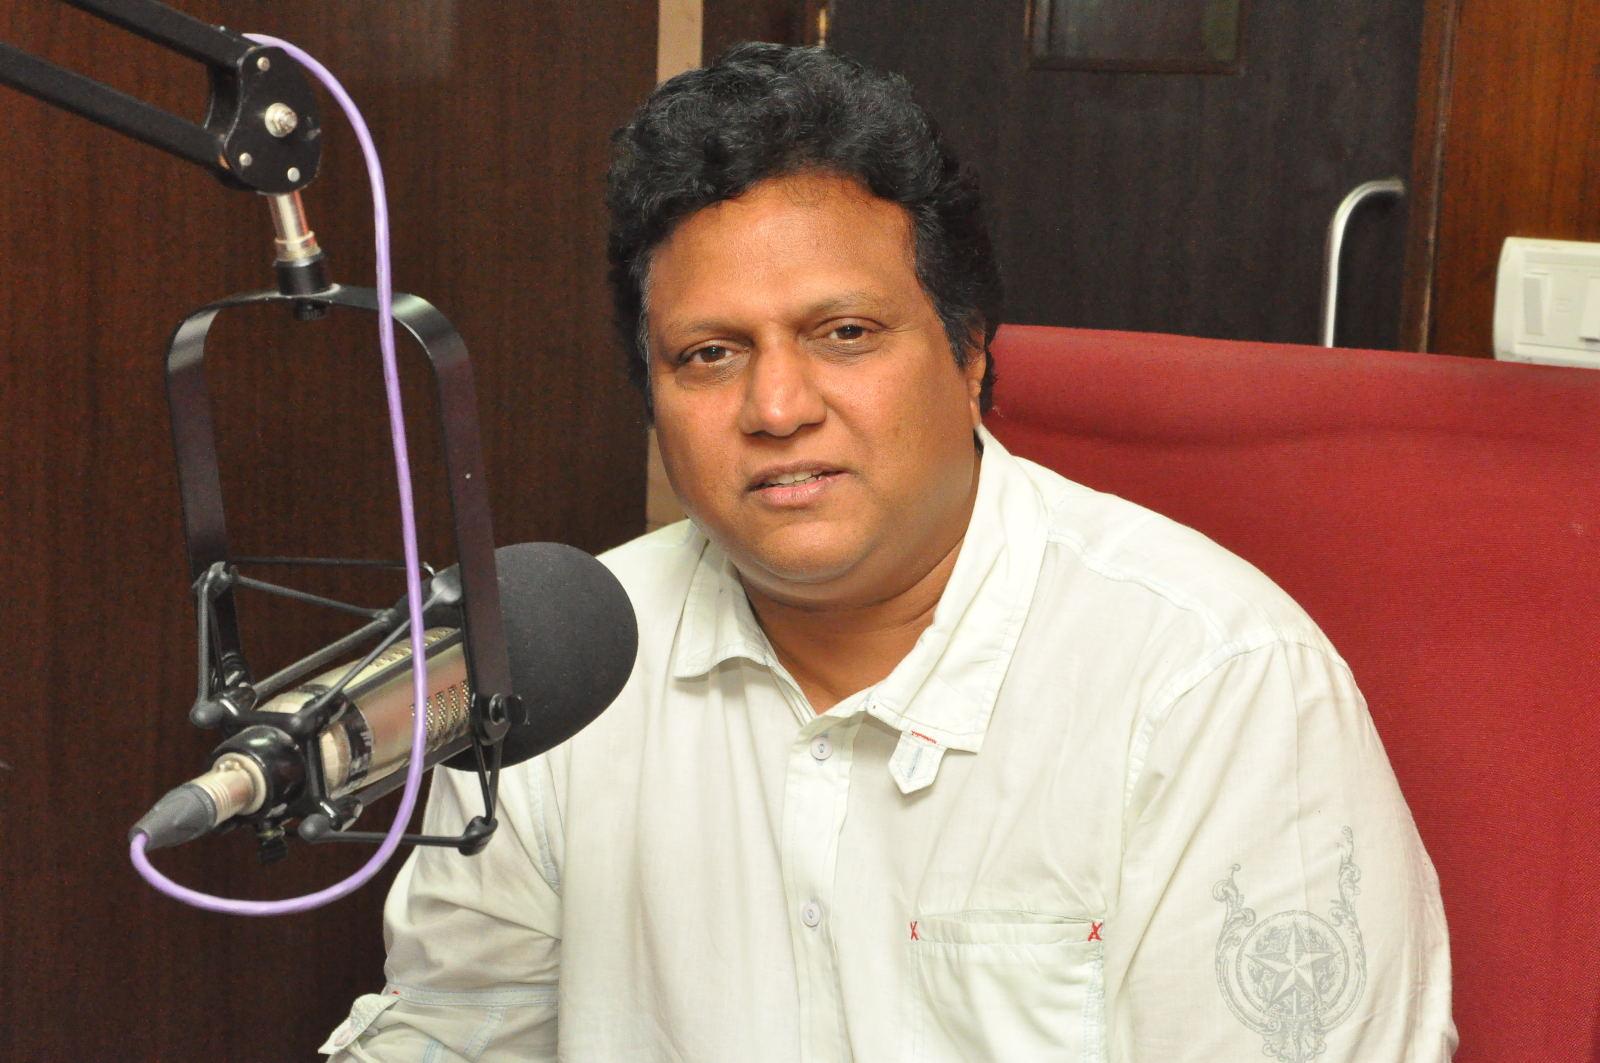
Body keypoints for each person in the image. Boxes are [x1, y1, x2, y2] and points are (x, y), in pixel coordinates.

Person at [324, 43, 1455, 1062]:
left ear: (969, 356)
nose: (777, 406)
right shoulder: (561, 663)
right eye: (710, 354)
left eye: (844, 334)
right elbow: (454, 1030)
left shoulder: (1215, 687)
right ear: (652, 401)